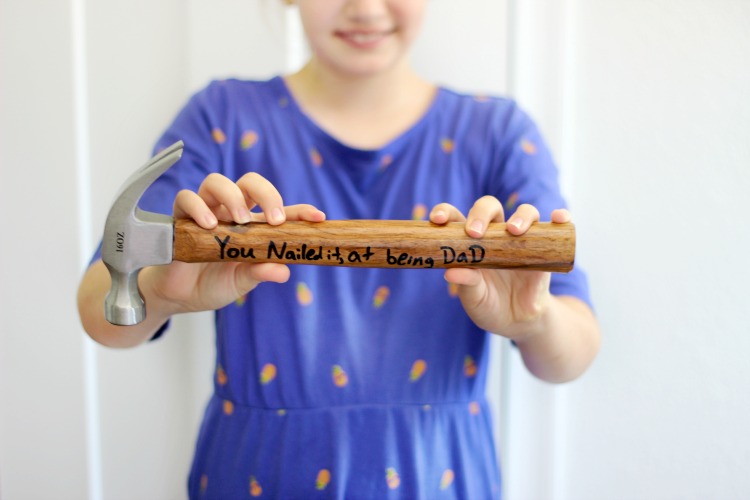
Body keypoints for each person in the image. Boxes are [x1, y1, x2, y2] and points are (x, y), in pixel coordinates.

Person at [77, 0, 600, 497]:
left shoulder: (498, 133)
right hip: (254, 476)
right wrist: (160, 292)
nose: (366, 7)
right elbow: (99, 306)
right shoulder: (222, 116)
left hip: (439, 475)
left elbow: (575, 349)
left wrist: (534, 320)